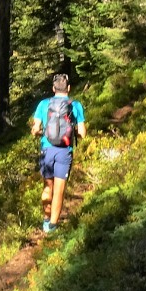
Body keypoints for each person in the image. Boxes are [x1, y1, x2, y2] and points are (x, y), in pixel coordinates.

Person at [31, 73, 87, 233]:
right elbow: (82, 133)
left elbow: (35, 129)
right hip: (65, 151)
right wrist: (74, 131)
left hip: (46, 149)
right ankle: (52, 227)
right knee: (59, 189)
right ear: (68, 88)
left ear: (53, 88)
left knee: (47, 186)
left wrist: (38, 132)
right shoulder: (75, 105)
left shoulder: (43, 104)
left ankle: (46, 219)